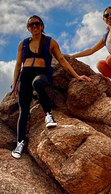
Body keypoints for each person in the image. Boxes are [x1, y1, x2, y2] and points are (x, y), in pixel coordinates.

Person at [10, 15, 91, 159]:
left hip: (42, 73)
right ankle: (20, 143)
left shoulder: (50, 42)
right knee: (23, 110)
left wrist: (77, 76)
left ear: (42, 26)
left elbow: (61, 60)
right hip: (26, 75)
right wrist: (15, 83)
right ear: (28, 28)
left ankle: (48, 115)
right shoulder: (22, 44)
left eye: (36, 24)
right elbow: (18, 65)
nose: (34, 27)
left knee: (38, 83)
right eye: (31, 25)